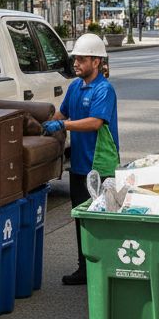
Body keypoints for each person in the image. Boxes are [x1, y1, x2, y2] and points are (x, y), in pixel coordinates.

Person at [42, 32, 119, 286]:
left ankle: (106, 267)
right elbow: (62, 113)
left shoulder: (104, 90)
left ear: (96, 62)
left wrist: (64, 125)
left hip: (100, 164)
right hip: (79, 165)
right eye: (75, 58)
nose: (76, 63)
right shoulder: (75, 87)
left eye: (81, 59)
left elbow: (95, 122)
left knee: (102, 219)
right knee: (81, 218)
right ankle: (85, 268)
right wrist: (44, 121)